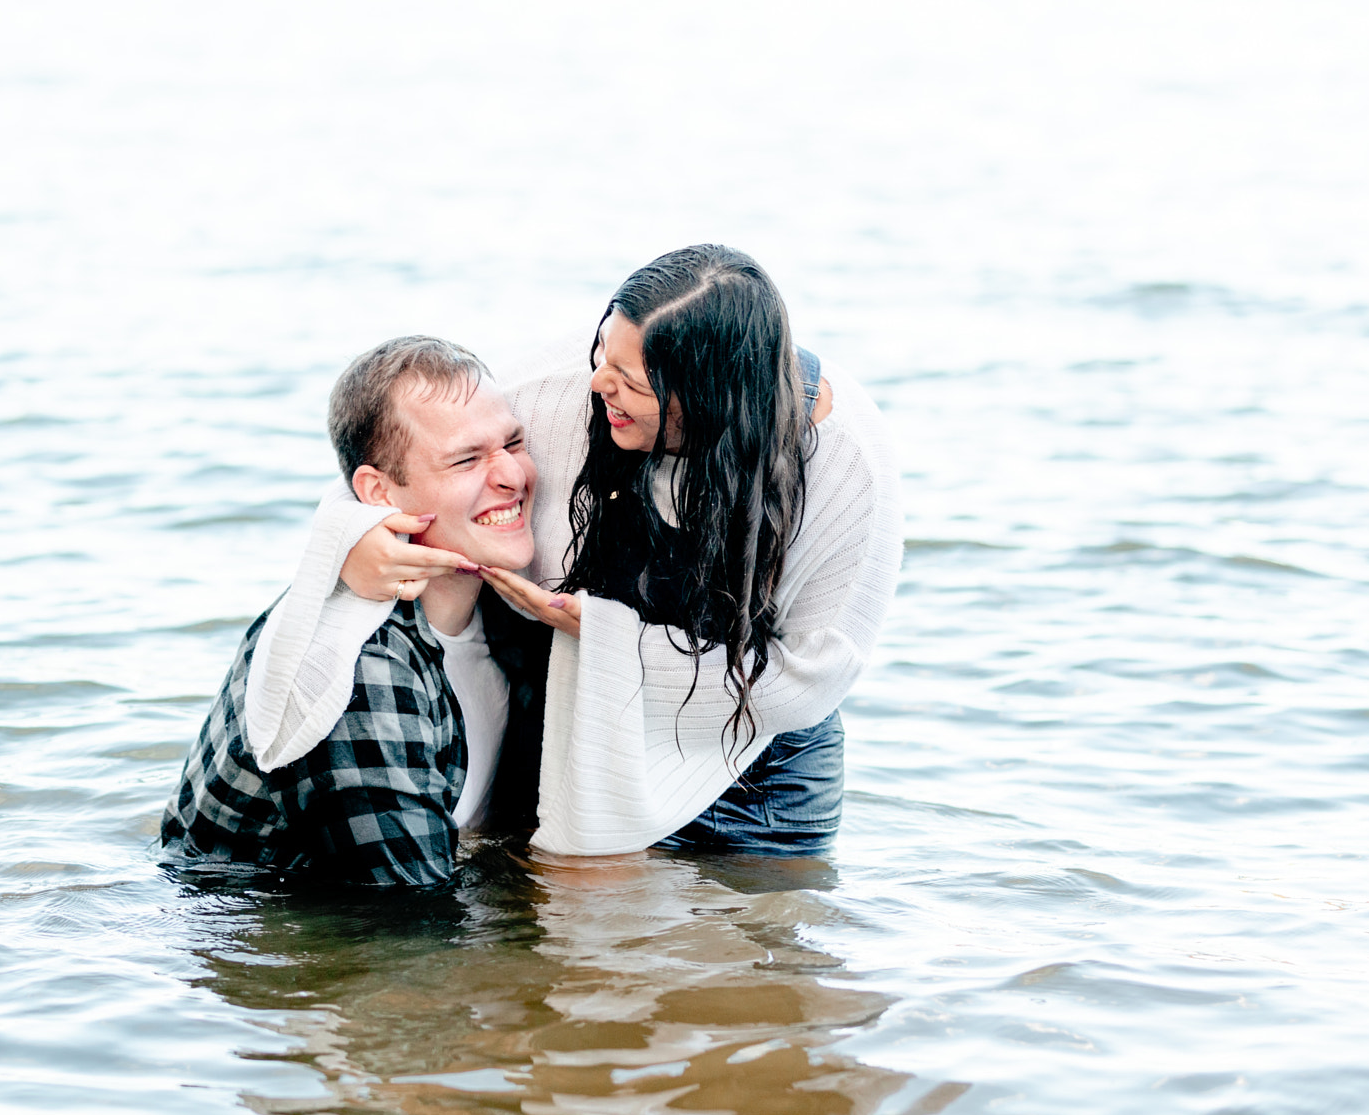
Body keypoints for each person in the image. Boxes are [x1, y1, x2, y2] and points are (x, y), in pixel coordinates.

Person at [244, 245, 902, 858]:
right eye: (601, 357)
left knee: (757, 963)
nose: (597, 386)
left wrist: (608, 636)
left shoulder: (846, 465)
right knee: (550, 948)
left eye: (632, 382)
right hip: (568, 709)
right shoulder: (561, 389)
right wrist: (353, 538)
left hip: (752, 751)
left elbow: (811, 680)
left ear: (709, 399)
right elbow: (387, 463)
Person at [159, 336, 552, 889]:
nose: (512, 474)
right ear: (378, 493)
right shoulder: (356, 670)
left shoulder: (509, 605)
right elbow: (408, 927)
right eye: (466, 459)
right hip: (264, 933)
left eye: (514, 442)